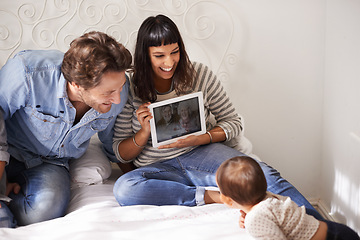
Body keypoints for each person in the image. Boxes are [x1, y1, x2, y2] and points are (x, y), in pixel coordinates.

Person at [111, 14, 322, 219]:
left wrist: (201, 138)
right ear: (144, 56)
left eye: (174, 52)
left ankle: (321, 228)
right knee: (124, 189)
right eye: (159, 55)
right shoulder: (129, 87)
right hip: (158, 168)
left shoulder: (199, 74)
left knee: (261, 173)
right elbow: (120, 152)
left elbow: (233, 122)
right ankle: (213, 196)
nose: (169, 61)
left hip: (202, 154)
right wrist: (144, 132)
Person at [0, 31, 132, 227]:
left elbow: (110, 142)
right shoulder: (27, 72)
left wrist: (135, 175)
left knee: (43, 212)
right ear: (76, 84)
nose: (117, 99)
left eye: (120, 88)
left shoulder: (119, 91)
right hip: (7, 150)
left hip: (50, 163)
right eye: (108, 92)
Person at [216, 156, 360, 240]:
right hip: (338, 231)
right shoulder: (269, 198)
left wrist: (251, 218)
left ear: (227, 200)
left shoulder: (255, 218)